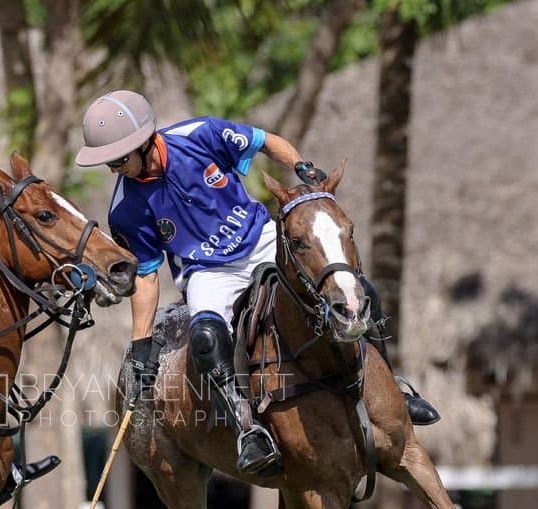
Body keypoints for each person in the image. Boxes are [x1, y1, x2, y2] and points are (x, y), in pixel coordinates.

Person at [75, 90, 439, 478]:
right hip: (207, 272)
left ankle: (394, 383)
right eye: (108, 163)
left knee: (358, 291)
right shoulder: (125, 209)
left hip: (262, 240)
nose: (115, 169)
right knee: (205, 338)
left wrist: (301, 166)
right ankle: (247, 429)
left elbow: (267, 143)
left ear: (144, 142)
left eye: (118, 159)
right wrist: (141, 343)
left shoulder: (201, 135)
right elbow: (147, 275)